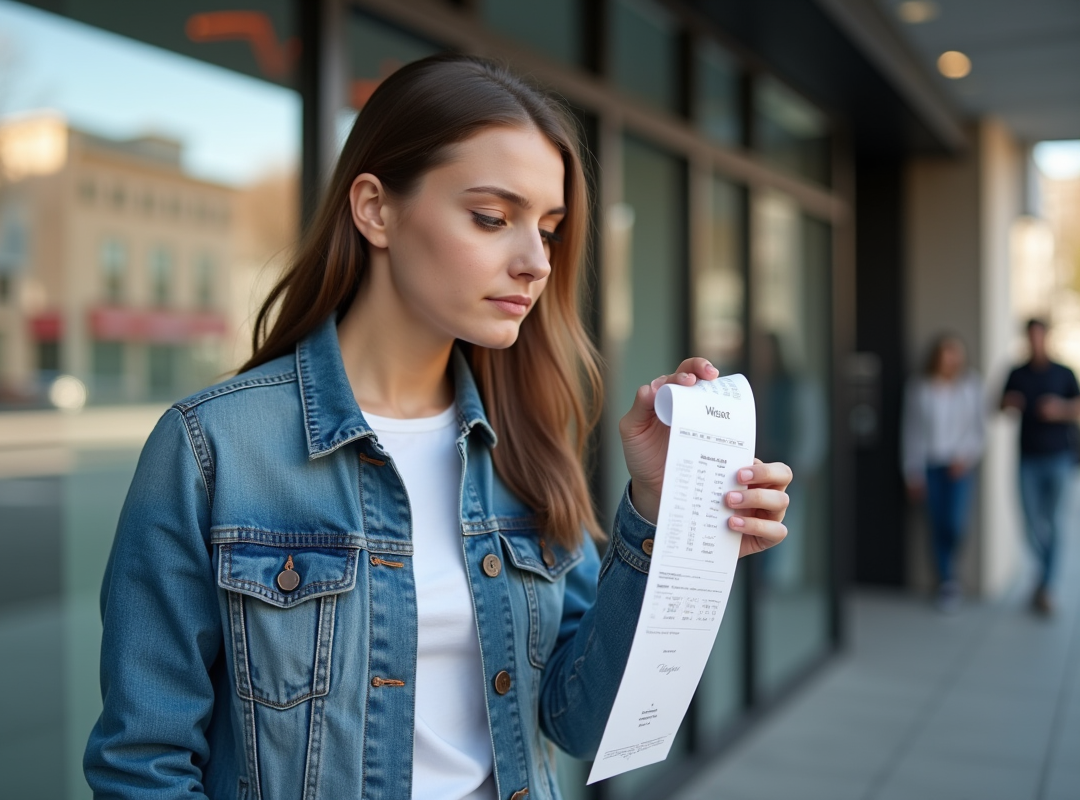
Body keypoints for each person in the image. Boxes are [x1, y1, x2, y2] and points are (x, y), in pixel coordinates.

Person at [83, 54, 792, 800]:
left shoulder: (524, 443)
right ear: (375, 209)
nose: (534, 262)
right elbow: (144, 766)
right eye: (492, 217)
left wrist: (664, 517)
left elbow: (580, 723)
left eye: (548, 230)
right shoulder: (213, 449)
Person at [1001, 318, 1080, 616]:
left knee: (1056, 522)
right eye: (1030, 336)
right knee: (1031, 523)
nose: (1035, 341)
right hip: (1028, 459)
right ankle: (1046, 575)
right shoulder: (1017, 373)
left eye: (1039, 335)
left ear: (1046, 337)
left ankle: (1047, 586)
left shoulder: (1064, 372)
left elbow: (1078, 406)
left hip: (1059, 457)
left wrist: (1059, 409)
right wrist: (1010, 404)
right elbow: (1000, 406)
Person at [902, 334, 985, 611]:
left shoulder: (971, 386)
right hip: (930, 466)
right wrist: (912, 472)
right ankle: (947, 581)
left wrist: (966, 456)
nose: (951, 359)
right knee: (936, 524)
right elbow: (911, 431)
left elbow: (978, 430)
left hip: (959, 467)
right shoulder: (920, 387)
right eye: (946, 353)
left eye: (955, 353)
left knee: (955, 523)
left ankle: (951, 573)